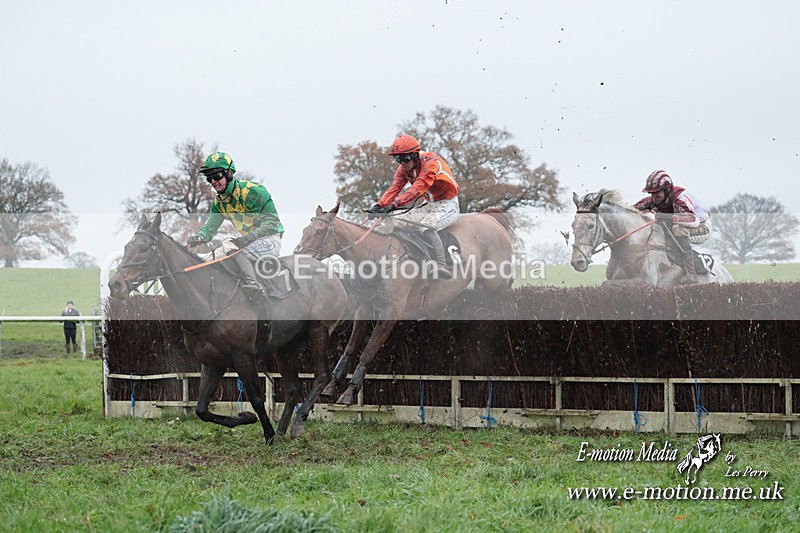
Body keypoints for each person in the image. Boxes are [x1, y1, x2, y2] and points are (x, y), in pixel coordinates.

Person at [186, 151, 284, 302]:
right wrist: (199, 237)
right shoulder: (219, 203)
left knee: (228, 244)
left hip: (270, 240)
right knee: (207, 258)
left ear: (229, 173)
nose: (213, 182)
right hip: (246, 245)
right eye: (209, 178)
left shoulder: (253, 191)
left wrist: (250, 237)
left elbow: (272, 222)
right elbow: (209, 229)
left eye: (217, 176)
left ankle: (255, 285)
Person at [367, 134, 460, 278]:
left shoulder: (431, 162)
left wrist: (394, 205)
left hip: (448, 203)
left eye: (405, 158)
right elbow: (394, 188)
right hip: (429, 204)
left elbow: (418, 188)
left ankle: (442, 264)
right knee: (397, 222)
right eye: (398, 159)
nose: (402, 163)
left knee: (426, 226)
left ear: (415, 155)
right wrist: (379, 205)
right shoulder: (403, 169)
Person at [633, 169, 711, 276]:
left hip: (702, 227)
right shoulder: (652, 200)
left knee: (677, 229)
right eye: (651, 193)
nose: (654, 197)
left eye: (657, 192)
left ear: (666, 190)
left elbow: (693, 220)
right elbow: (629, 210)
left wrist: (667, 217)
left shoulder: (680, 198)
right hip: (686, 224)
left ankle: (691, 274)